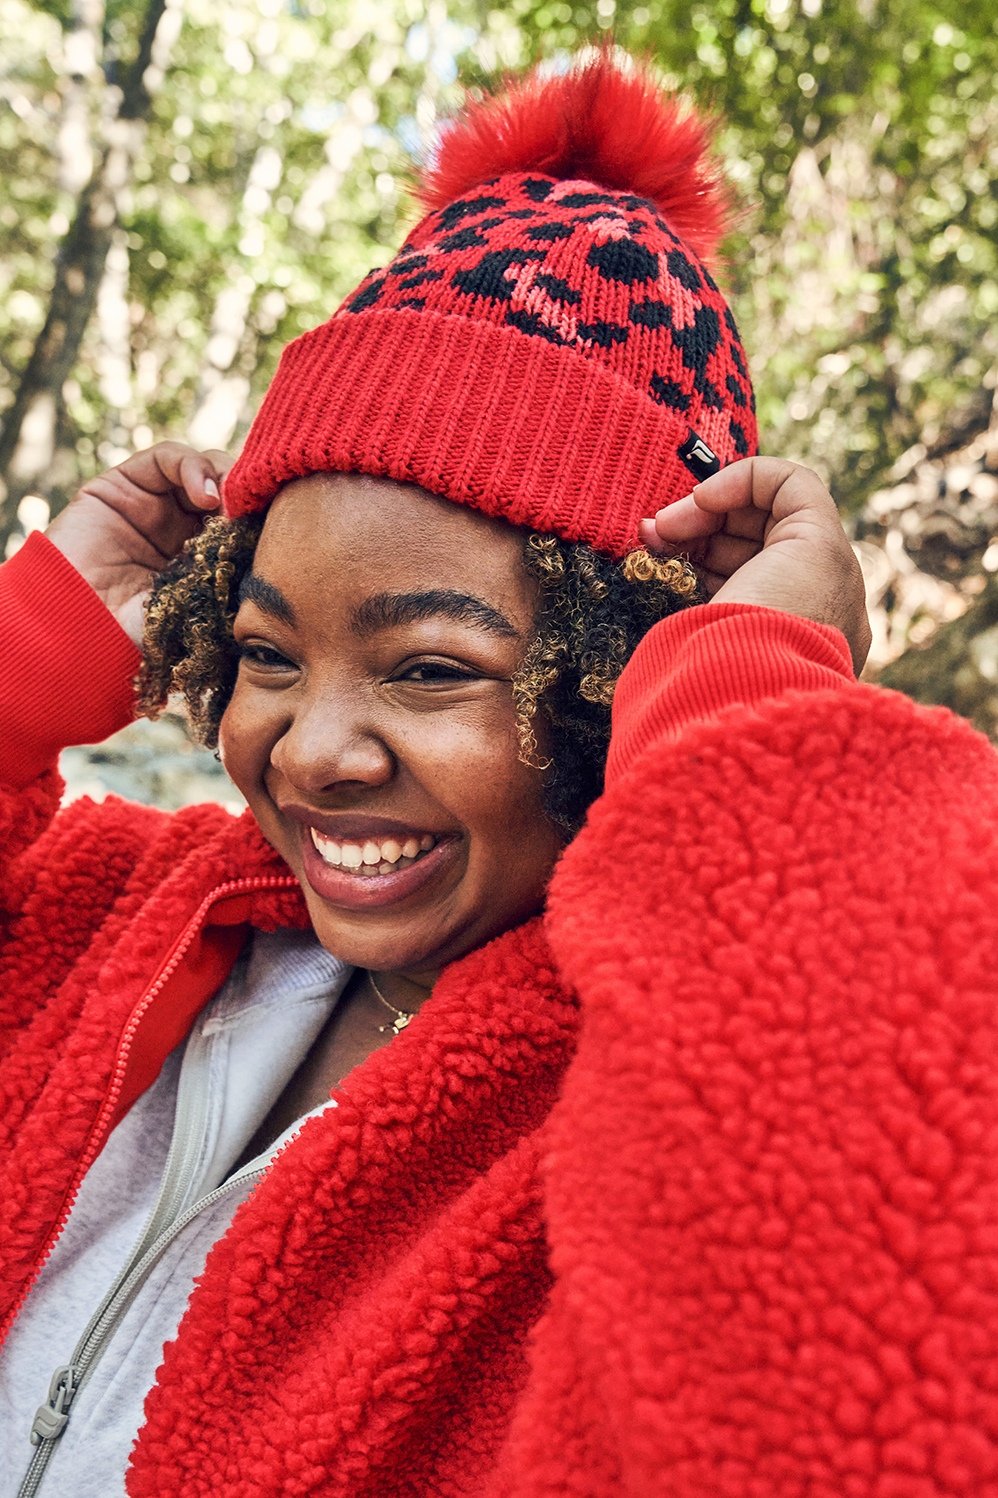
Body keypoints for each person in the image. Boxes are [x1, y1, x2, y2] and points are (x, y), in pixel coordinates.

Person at [1, 51, 996, 1498]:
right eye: (268, 655)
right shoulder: (118, 920)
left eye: (429, 670)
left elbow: (877, 1347)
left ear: (615, 685)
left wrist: (739, 715)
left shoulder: (652, 1101)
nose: (314, 749)